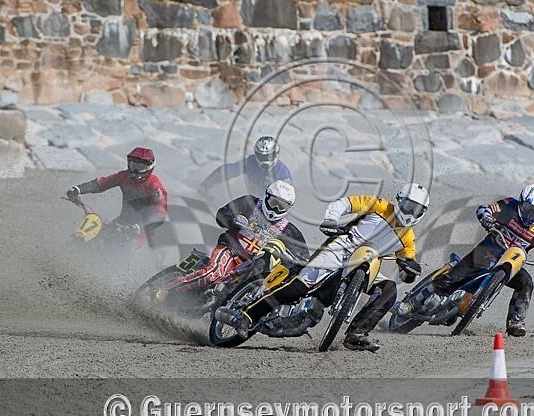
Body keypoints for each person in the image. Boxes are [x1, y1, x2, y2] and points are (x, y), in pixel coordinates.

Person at [217, 183, 430, 352]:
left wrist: (409, 270)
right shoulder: (380, 206)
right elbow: (344, 204)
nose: (411, 213)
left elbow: (405, 271)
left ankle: (357, 334)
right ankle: (246, 315)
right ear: (399, 201)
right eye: (409, 206)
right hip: (341, 248)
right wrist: (331, 219)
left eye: (417, 210)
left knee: (390, 289)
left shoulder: (408, 239)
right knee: (298, 287)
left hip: (369, 263)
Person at [396, 183, 534, 337]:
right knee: (451, 278)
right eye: (527, 207)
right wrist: (487, 219)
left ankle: (516, 322)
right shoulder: (509, 205)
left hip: (512, 264)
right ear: (521, 202)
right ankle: (413, 303)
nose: (529, 213)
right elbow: (486, 209)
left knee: (526, 282)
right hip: (488, 251)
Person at [166, 180, 308, 294]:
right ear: (267, 197)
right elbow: (222, 214)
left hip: (252, 268)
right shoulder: (249, 202)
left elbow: (304, 258)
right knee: (212, 274)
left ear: (288, 208)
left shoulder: (289, 231)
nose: (276, 209)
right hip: (230, 249)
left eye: (281, 206)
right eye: (274, 203)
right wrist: (233, 220)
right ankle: (167, 290)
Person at [66, 147, 168, 247]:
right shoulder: (123, 176)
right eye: (133, 166)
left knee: (120, 247)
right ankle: (74, 245)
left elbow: (160, 216)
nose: (135, 171)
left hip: (141, 232)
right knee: (97, 232)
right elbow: (101, 184)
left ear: (149, 168)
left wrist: (136, 228)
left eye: (141, 168)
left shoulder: (155, 186)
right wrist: (77, 189)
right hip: (121, 222)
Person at [200, 136, 292, 202]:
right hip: (253, 203)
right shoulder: (251, 162)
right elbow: (229, 170)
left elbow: (288, 200)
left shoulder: (283, 173)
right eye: (261, 156)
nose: (265, 160)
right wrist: (207, 184)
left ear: (276, 154)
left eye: (268, 156)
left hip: (273, 209)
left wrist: (275, 186)